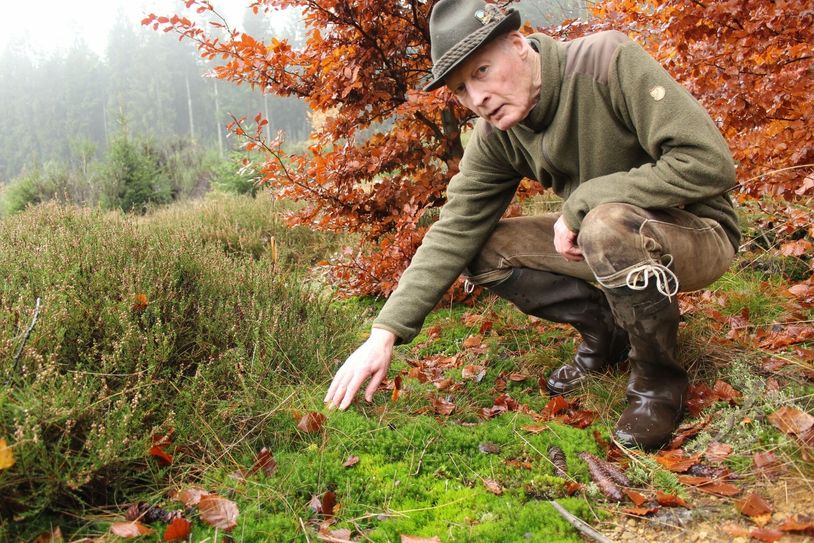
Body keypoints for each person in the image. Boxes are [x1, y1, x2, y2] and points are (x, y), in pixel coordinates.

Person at [324, 0, 739, 450]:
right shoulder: (497, 135)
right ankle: (608, 332)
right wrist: (384, 333)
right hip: (607, 240)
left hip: (698, 233)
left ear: (519, 45)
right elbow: (454, 228)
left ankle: (657, 381)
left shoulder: (607, 62)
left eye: (482, 71)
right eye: (461, 90)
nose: (476, 99)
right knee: (481, 248)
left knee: (602, 223)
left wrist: (582, 203)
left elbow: (708, 163)